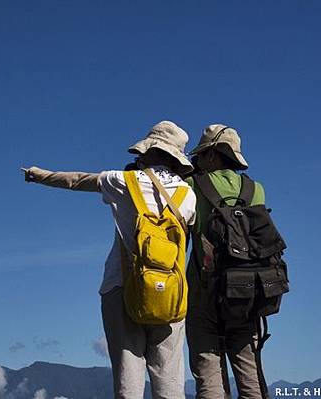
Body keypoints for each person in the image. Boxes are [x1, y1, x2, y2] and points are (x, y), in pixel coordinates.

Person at [22, 121, 197, 399]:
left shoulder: (123, 182)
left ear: (150, 151)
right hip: (172, 295)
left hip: (121, 288)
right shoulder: (188, 195)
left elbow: (77, 180)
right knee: (170, 380)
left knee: (129, 376)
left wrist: (39, 175)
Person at [185, 124, 270, 399]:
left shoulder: (191, 187)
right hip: (247, 294)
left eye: (199, 156)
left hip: (204, 293)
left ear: (211, 155)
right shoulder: (256, 190)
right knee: (249, 374)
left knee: (208, 372)